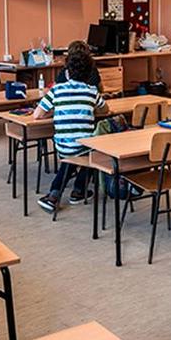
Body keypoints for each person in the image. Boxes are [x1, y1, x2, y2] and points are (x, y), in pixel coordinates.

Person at [34, 43, 107, 213]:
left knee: (73, 154)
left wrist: (54, 112)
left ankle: (54, 194)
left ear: (67, 72)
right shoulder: (91, 91)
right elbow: (105, 109)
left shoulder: (57, 90)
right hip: (84, 146)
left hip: (62, 145)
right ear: (90, 72)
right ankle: (78, 190)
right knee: (95, 152)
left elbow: (37, 115)